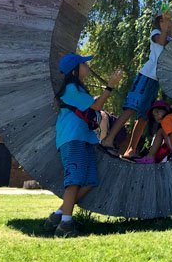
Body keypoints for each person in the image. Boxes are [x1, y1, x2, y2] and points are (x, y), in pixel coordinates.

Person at [45, 53, 123, 237]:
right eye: (83, 64)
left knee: (89, 181)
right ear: (74, 70)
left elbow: (91, 105)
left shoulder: (78, 89)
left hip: (85, 138)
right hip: (73, 138)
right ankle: (65, 225)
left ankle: (58, 216)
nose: (87, 66)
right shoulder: (71, 88)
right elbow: (95, 107)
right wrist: (110, 85)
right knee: (74, 181)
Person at [101, 8, 172, 158]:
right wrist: (164, 29)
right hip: (146, 76)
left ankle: (131, 150)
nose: (170, 25)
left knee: (144, 116)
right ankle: (108, 140)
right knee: (131, 108)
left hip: (156, 81)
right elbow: (161, 41)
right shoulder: (156, 34)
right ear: (160, 23)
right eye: (166, 21)